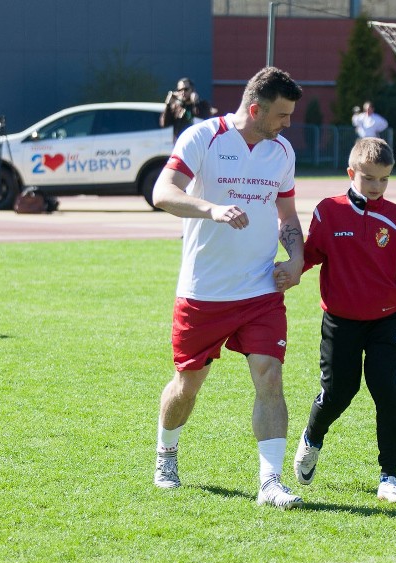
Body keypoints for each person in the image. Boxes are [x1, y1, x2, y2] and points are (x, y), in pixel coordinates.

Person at [151, 67, 305, 509]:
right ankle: (166, 454)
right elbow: (163, 192)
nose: (287, 124)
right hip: (204, 291)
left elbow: (288, 217)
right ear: (255, 109)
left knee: (270, 377)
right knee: (189, 382)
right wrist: (210, 209)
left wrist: (295, 259)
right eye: (281, 114)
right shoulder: (203, 138)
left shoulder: (281, 151)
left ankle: (270, 482)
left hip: (260, 290)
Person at [287, 137, 396, 503]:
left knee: (389, 393)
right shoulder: (328, 211)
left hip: (385, 324)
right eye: (369, 178)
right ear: (351, 173)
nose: (376, 187)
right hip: (340, 322)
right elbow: (310, 254)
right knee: (339, 393)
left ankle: (389, 477)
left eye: (384, 180)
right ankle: (312, 438)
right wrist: (283, 272)